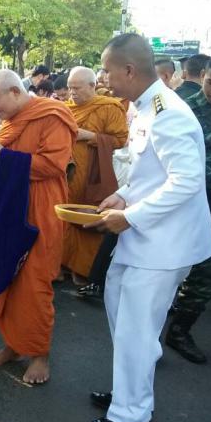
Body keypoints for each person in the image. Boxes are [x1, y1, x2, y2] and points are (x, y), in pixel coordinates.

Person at [83, 34, 211, 422]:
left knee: (136, 327)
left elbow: (186, 181)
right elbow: (149, 170)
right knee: (120, 311)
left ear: (128, 70)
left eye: (107, 70)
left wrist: (130, 215)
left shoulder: (168, 112)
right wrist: (123, 194)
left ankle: (131, 412)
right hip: (144, 236)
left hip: (164, 244)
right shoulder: (144, 106)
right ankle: (130, 388)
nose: (103, 77)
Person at [0, 70, 77, 385]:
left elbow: (53, 165)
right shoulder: (13, 119)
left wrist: (3, 156)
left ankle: (40, 354)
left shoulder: (52, 115)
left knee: (35, 282)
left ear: (15, 91)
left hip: (39, 207)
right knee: (9, 277)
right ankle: (14, 346)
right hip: (7, 205)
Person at [164, 53, 211, 364]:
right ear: (203, 75)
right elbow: (192, 166)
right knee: (176, 271)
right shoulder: (185, 110)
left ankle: (180, 329)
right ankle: (163, 332)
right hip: (191, 206)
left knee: (206, 277)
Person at [61, 67, 128, 284]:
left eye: (77, 88)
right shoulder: (64, 108)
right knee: (63, 217)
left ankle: (82, 269)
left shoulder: (109, 107)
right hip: (66, 173)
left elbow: (121, 139)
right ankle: (60, 263)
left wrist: (89, 136)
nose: (72, 93)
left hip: (93, 173)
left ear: (92, 86)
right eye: (70, 88)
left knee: (87, 219)